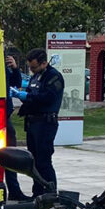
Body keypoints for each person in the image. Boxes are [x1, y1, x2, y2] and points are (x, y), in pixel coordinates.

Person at [11, 48, 64, 196]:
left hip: (45, 124)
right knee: (33, 162)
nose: (32, 70)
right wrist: (21, 95)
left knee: (44, 162)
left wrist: (27, 96)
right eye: (30, 67)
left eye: (34, 67)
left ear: (44, 63)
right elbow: (31, 95)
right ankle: (37, 193)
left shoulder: (54, 77)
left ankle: (50, 194)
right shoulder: (35, 77)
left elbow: (48, 98)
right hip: (32, 123)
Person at [4, 52, 31, 201]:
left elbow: (16, 83)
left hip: (5, 116)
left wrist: (15, 68)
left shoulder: (3, 67)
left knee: (10, 155)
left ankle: (14, 190)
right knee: (7, 154)